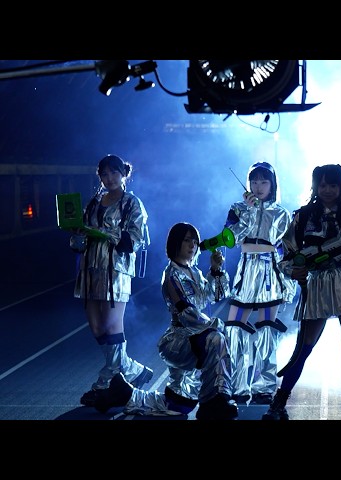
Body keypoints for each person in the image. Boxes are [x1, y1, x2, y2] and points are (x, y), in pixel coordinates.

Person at [92, 222, 239, 420]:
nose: (193, 245)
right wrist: (214, 325)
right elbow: (186, 313)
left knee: (178, 405)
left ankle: (126, 394)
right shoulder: (171, 275)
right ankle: (216, 400)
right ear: (176, 243)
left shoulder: (194, 272)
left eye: (195, 241)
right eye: (187, 240)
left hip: (196, 336)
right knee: (216, 339)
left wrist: (216, 270)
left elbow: (214, 296)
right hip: (180, 340)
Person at [262, 164, 341, 421]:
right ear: (315, 186)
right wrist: (294, 271)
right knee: (303, 348)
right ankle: (279, 402)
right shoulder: (302, 217)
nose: (327, 190)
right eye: (322, 185)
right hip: (316, 284)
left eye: (333, 185)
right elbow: (285, 253)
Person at [71, 154, 153, 407]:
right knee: (97, 328)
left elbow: (136, 239)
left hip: (115, 270)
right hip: (90, 268)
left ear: (124, 174)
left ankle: (106, 383)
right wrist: (78, 234)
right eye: (104, 174)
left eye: (114, 173)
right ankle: (133, 370)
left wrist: (105, 233)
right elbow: (78, 243)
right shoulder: (93, 203)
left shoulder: (132, 203)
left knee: (111, 326)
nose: (109, 179)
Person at [223, 162, 296, 405]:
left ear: (273, 184)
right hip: (245, 270)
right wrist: (249, 211)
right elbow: (231, 239)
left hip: (269, 271)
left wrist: (289, 280)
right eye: (254, 181)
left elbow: (288, 249)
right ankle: (236, 385)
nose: (258, 186)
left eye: (264, 181)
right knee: (234, 328)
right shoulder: (237, 208)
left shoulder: (282, 213)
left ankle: (264, 386)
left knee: (266, 329)